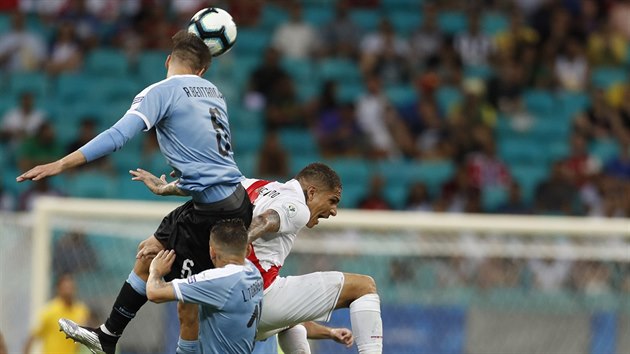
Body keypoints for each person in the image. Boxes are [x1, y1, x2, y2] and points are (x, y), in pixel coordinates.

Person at [21, 30, 253, 354]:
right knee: (148, 252)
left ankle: (108, 337)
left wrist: (60, 164)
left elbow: (118, 136)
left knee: (190, 306)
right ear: (202, 70)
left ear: (168, 61)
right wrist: (173, 187)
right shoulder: (213, 92)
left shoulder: (160, 91)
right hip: (228, 201)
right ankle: (107, 336)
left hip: (214, 215)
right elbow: (211, 164)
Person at [133, 163, 383, 354]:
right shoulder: (297, 205)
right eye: (333, 200)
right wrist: (240, 245)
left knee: (291, 323)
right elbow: (266, 221)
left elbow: (213, 188)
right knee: (364, 286)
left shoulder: (255, 185)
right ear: (312, 192)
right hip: (256, 297)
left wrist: (165, 189)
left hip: (226, 306)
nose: (334, 210)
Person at [145, 219, 264, 354]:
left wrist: (155, 270)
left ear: (212, 252)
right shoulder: (253, 271)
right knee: (186, 303)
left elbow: (154, 292)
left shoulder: (220, 282)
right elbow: (187, 311)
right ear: (248, 249)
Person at [23, 274, 90, 354]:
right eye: (65, 288)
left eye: (70, 288)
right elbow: (32, 336)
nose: (68, 291)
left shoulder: (81, 310)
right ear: (59, 289)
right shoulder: (49, 311)